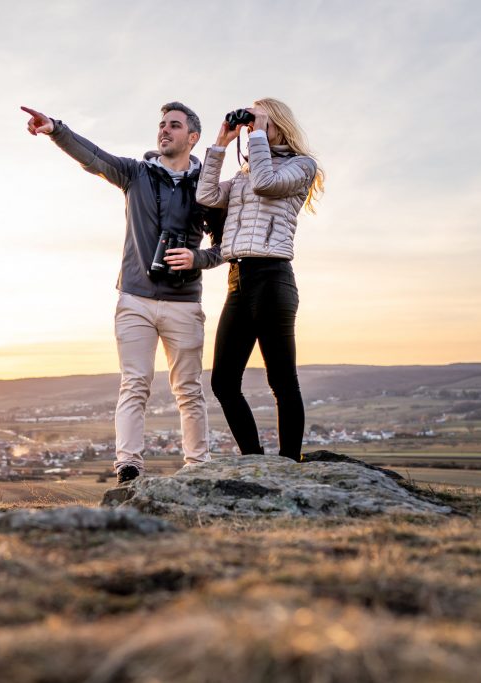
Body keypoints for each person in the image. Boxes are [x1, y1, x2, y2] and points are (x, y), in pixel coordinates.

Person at [21, 103, 224, 484]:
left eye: (174, 126)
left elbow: (224, 246)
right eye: (161, 125)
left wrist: (197, 257)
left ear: (192, 137)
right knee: (135, 383)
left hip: (184, 303)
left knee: (189, 388)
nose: (164, 130)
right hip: (135, 298)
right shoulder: (135, 174)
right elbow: (93, 157)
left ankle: (198, 466)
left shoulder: (207, 187)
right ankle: (128, 467)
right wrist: (55, 129)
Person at [194, 98, 324, 461]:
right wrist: (221, 141)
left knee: (282, 382)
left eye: (260, 122)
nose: (252, 130)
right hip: (238, 281)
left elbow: (267, 184)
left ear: (278, 123)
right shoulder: (242, 175)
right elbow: (205, 195)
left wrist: (258, 136)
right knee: (223, 382)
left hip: (272, 278)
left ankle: (288, 462)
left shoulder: (302, 166)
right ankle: (255, 460)